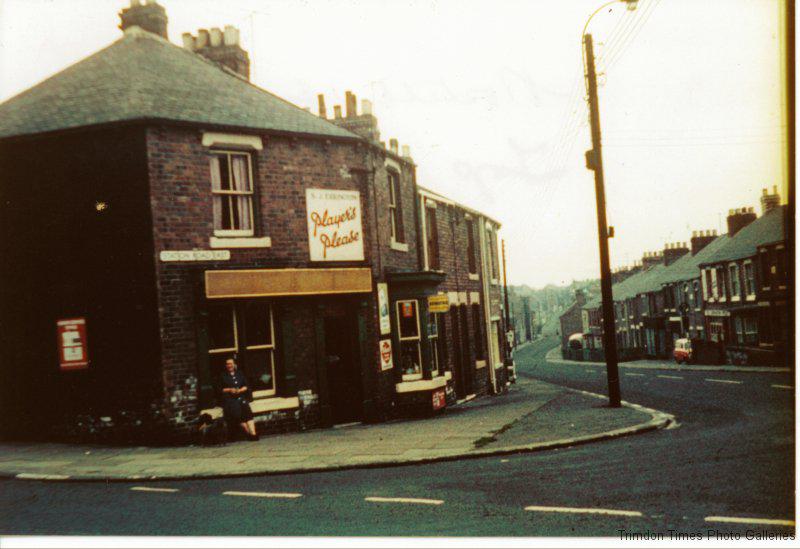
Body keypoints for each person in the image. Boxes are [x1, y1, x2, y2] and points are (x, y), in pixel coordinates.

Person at [220, 357, 259, 441]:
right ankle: (249, 434)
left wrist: (240, 390)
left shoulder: (240, 373)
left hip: (241, 397)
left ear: (234, 364)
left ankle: (253, 434)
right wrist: (230, 390)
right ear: (225, 366)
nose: (229, 365)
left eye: (231, 363)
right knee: (237, 414)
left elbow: (246, 386)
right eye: (227, 364)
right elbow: (220, 389)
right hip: (230, 400)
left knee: (247, 413)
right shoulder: (222, 375)